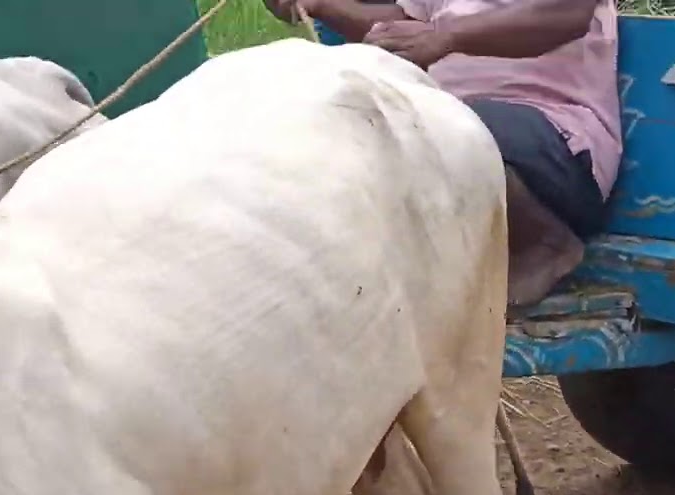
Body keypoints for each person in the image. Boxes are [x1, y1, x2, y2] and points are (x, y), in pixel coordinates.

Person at [264, 0, 621, 307]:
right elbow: (403, 28)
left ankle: (545, 240)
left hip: (556, 140)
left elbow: (568, 13)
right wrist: (322, 5)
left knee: (441, 125)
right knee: (336, 123)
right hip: (446, 126)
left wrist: (445, 36)